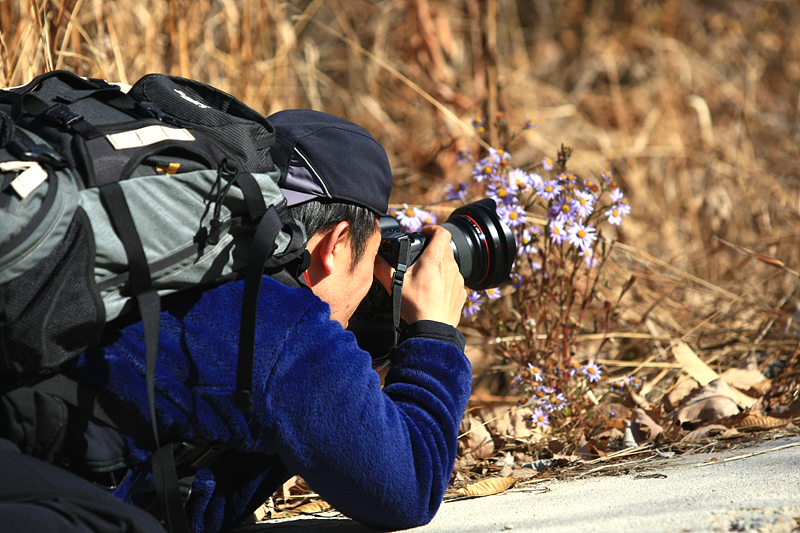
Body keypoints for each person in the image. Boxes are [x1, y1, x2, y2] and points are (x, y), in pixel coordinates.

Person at [2, 109, 472, 533]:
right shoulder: (278, 322)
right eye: (373, 259)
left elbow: (199, 495)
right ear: (336, 247)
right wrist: (433, 335)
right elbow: (409, 486)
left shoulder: (172, 257)